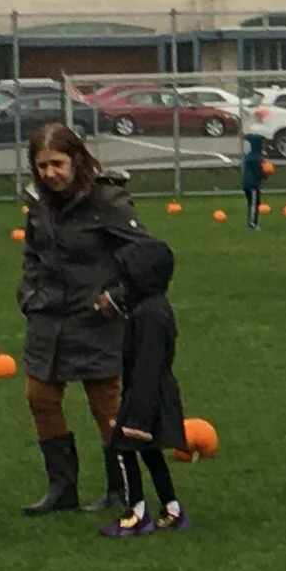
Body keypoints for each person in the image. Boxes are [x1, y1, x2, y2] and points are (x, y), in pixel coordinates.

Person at [18, 123, 144, 517]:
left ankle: (120, 487)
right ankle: (62, 487)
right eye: (42, 166)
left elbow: (146, 257)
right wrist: (29, 294)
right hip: (47, 315)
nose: (49, 174)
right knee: (40, 397)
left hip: (95, 317)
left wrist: (116, 298)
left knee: (105, 402)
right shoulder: (39, 204)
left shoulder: (109, 201)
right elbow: (32, 254)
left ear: (77, 159)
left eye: (57, 164)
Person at [99, 233, 189, 536]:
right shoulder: (146, 307)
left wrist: (138, 414)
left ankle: (136, 511)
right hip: (147, 389)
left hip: (147, 392)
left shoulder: (152, 314)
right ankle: (172, 508)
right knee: (149, 451)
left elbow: (149, 365)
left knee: (123, 445)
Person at [239, 132, 269, 230]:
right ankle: (252, 224)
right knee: (253, 204)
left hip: (247, 183)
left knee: (254, 203)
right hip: (252, 184)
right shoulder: (256, 157)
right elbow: (258, 172)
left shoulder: (250, 155)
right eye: (262, 144)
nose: (264, 146)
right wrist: (265, 174)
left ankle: (253, 222)